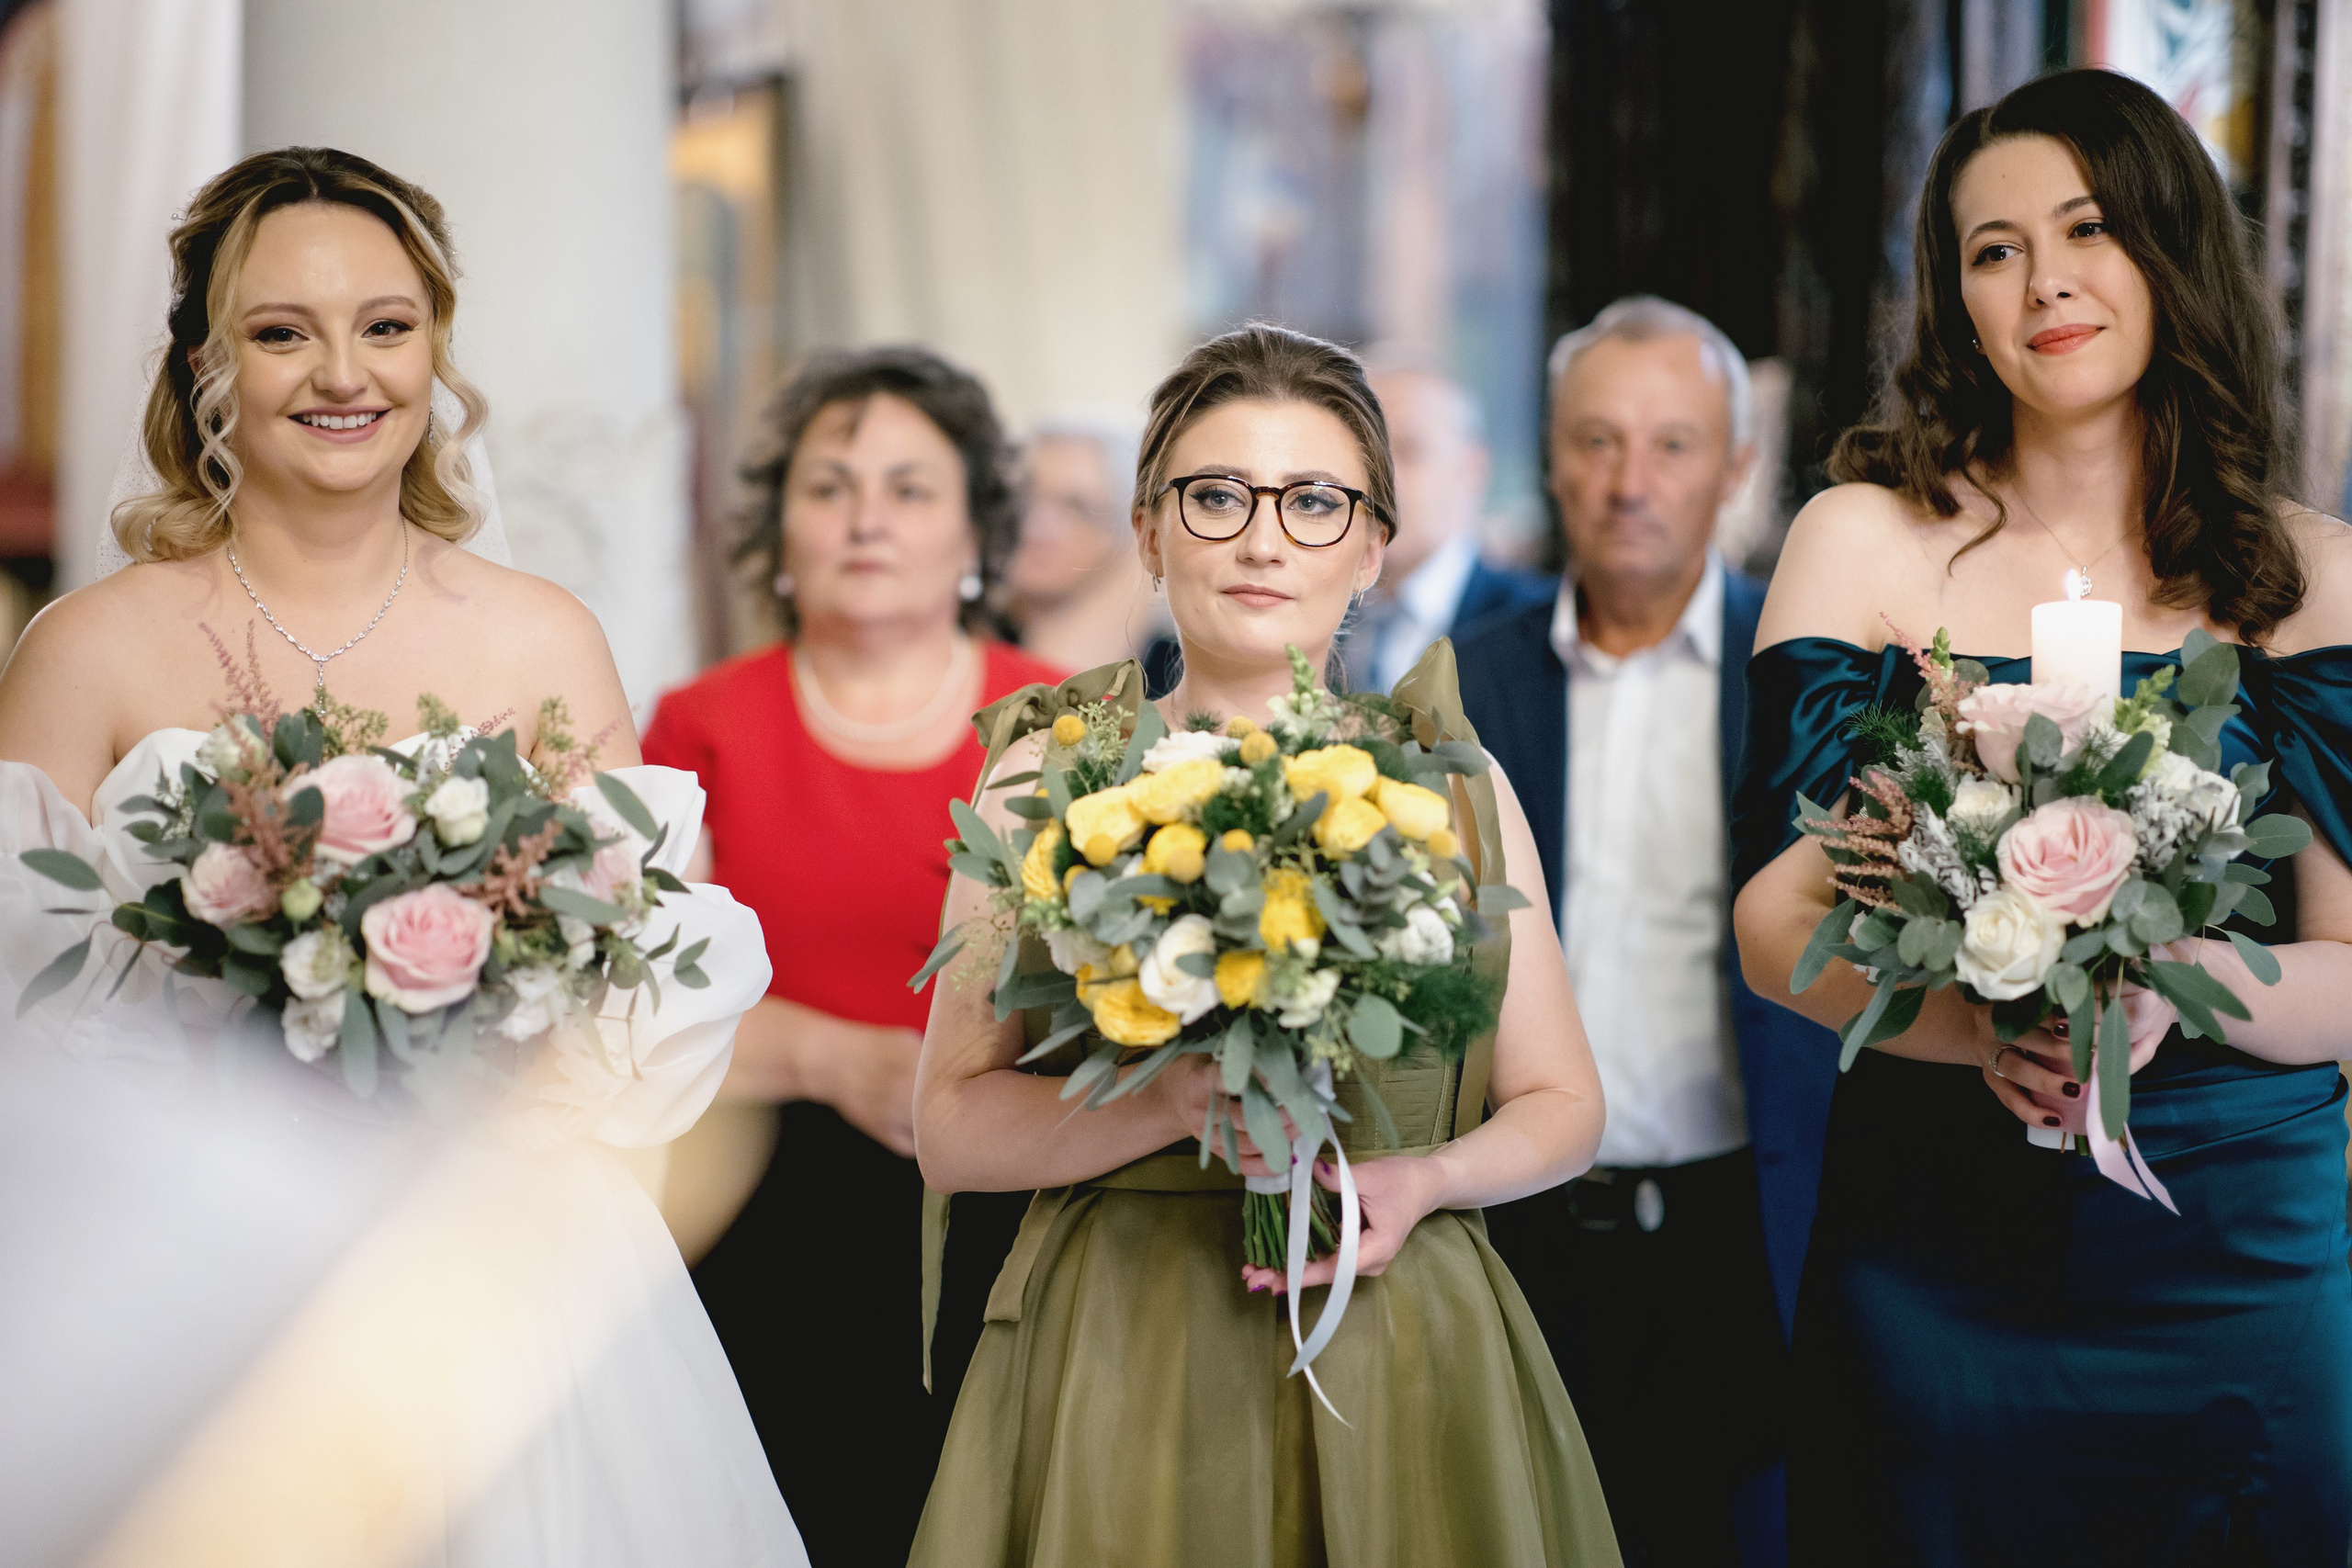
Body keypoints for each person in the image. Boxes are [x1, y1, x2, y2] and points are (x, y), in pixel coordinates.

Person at [0, 147, 803, 1562]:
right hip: (184, 1279)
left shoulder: (541, 636)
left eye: (385, 324)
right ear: (206, 363)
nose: (341, 373)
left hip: (505, 1266)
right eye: (280, 331)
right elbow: (20, 1008)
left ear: (436, 349)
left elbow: (644, 975)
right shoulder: (87, 650)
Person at [1732, 68, 2352, 1561]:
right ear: (1953, 296)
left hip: (2240, 1259)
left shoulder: (2312, 569)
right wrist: (1977, 1030)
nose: (2045, 280)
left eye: (2088, 228)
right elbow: (1777, 922)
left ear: (2170, 251)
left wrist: (2174, 986)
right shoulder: (1865, 539)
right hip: (1940, 1252)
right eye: (1992, 248)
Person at [905, 322, 1624, 1567]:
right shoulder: (1047, 772)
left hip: (1403, 1334)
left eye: (1313, 500)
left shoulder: (1453, 786)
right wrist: (1175, 1099)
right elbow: (953, 1127)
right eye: (1218, 493)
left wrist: (1423, 1180)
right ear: (1150, 528)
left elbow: (1564, 1101)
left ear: (1372, 545)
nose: (1261, 536)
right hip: (1122, 1344)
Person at [639, 345, 1065, 1564]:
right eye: (830, 486)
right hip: (761, 1210)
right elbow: (642, 997)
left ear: (977, 531)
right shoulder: (698, 722)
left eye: (908, 486)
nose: (866, 515)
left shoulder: (1066, 722)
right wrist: (842, 1058)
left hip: (1012, 1214)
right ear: (780, 531)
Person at [1457, 296, 1818, 1568]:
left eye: (1672, 444)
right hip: (1521, 1221)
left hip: (1753, 1222)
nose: (1629, 481)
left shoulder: (1809, 678)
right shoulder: (1463, 681)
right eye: (1597, 441)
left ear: (1734, 467)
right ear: (1552, 458)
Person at [1334, 358, 1552, 694]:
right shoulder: (1322, 615)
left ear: (1471, 469)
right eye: (1364, 453)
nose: (1379, 480)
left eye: (1408, 451)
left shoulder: (1536, 626)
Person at [1002, 412, 1168, 671]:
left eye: (1077, 507)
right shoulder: (965, 638)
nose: (1036, 524)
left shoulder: (1167, 665)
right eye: (1026, 495)